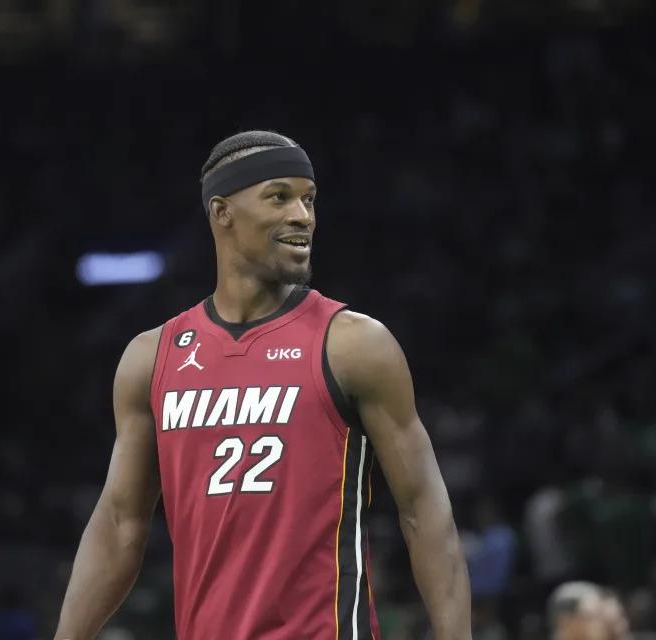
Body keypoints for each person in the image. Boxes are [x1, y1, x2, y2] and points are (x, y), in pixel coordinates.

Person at [53, 130, 472, 640]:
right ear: (222, 211)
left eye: (309, 199)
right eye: (279, 196)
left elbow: (424, 511)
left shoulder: (353, 344)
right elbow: (120, 525)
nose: (303, 216)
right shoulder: (153, 357)